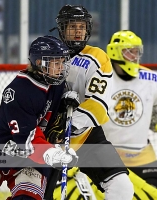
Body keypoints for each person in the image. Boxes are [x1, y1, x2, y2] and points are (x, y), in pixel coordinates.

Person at [0, 35, 79, 200]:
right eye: (56, 63)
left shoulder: (57, 85)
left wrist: (64, 103)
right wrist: (52, 153)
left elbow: (51, 115)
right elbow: (25, 140)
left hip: (32, 158)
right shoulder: (18, 91)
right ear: (39, 63)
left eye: (62, 62)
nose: (61, 67)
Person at [47, 4, 134, 200]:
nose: (78, 32)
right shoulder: (47, 52)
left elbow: (98, 105)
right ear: (62, 29)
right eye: (72, 27)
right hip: (50, 139)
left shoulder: (97, 57)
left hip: (87, 135)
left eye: (82, 27)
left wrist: (70, 125)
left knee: (122, 188)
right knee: (39, 194)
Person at [102, 30, 157, 187]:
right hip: (106, 156)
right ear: (115, 51)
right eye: (129, 51)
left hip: (142, 157)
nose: (134, 56)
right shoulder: (100, 78)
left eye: (136, 51)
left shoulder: (151, 78)